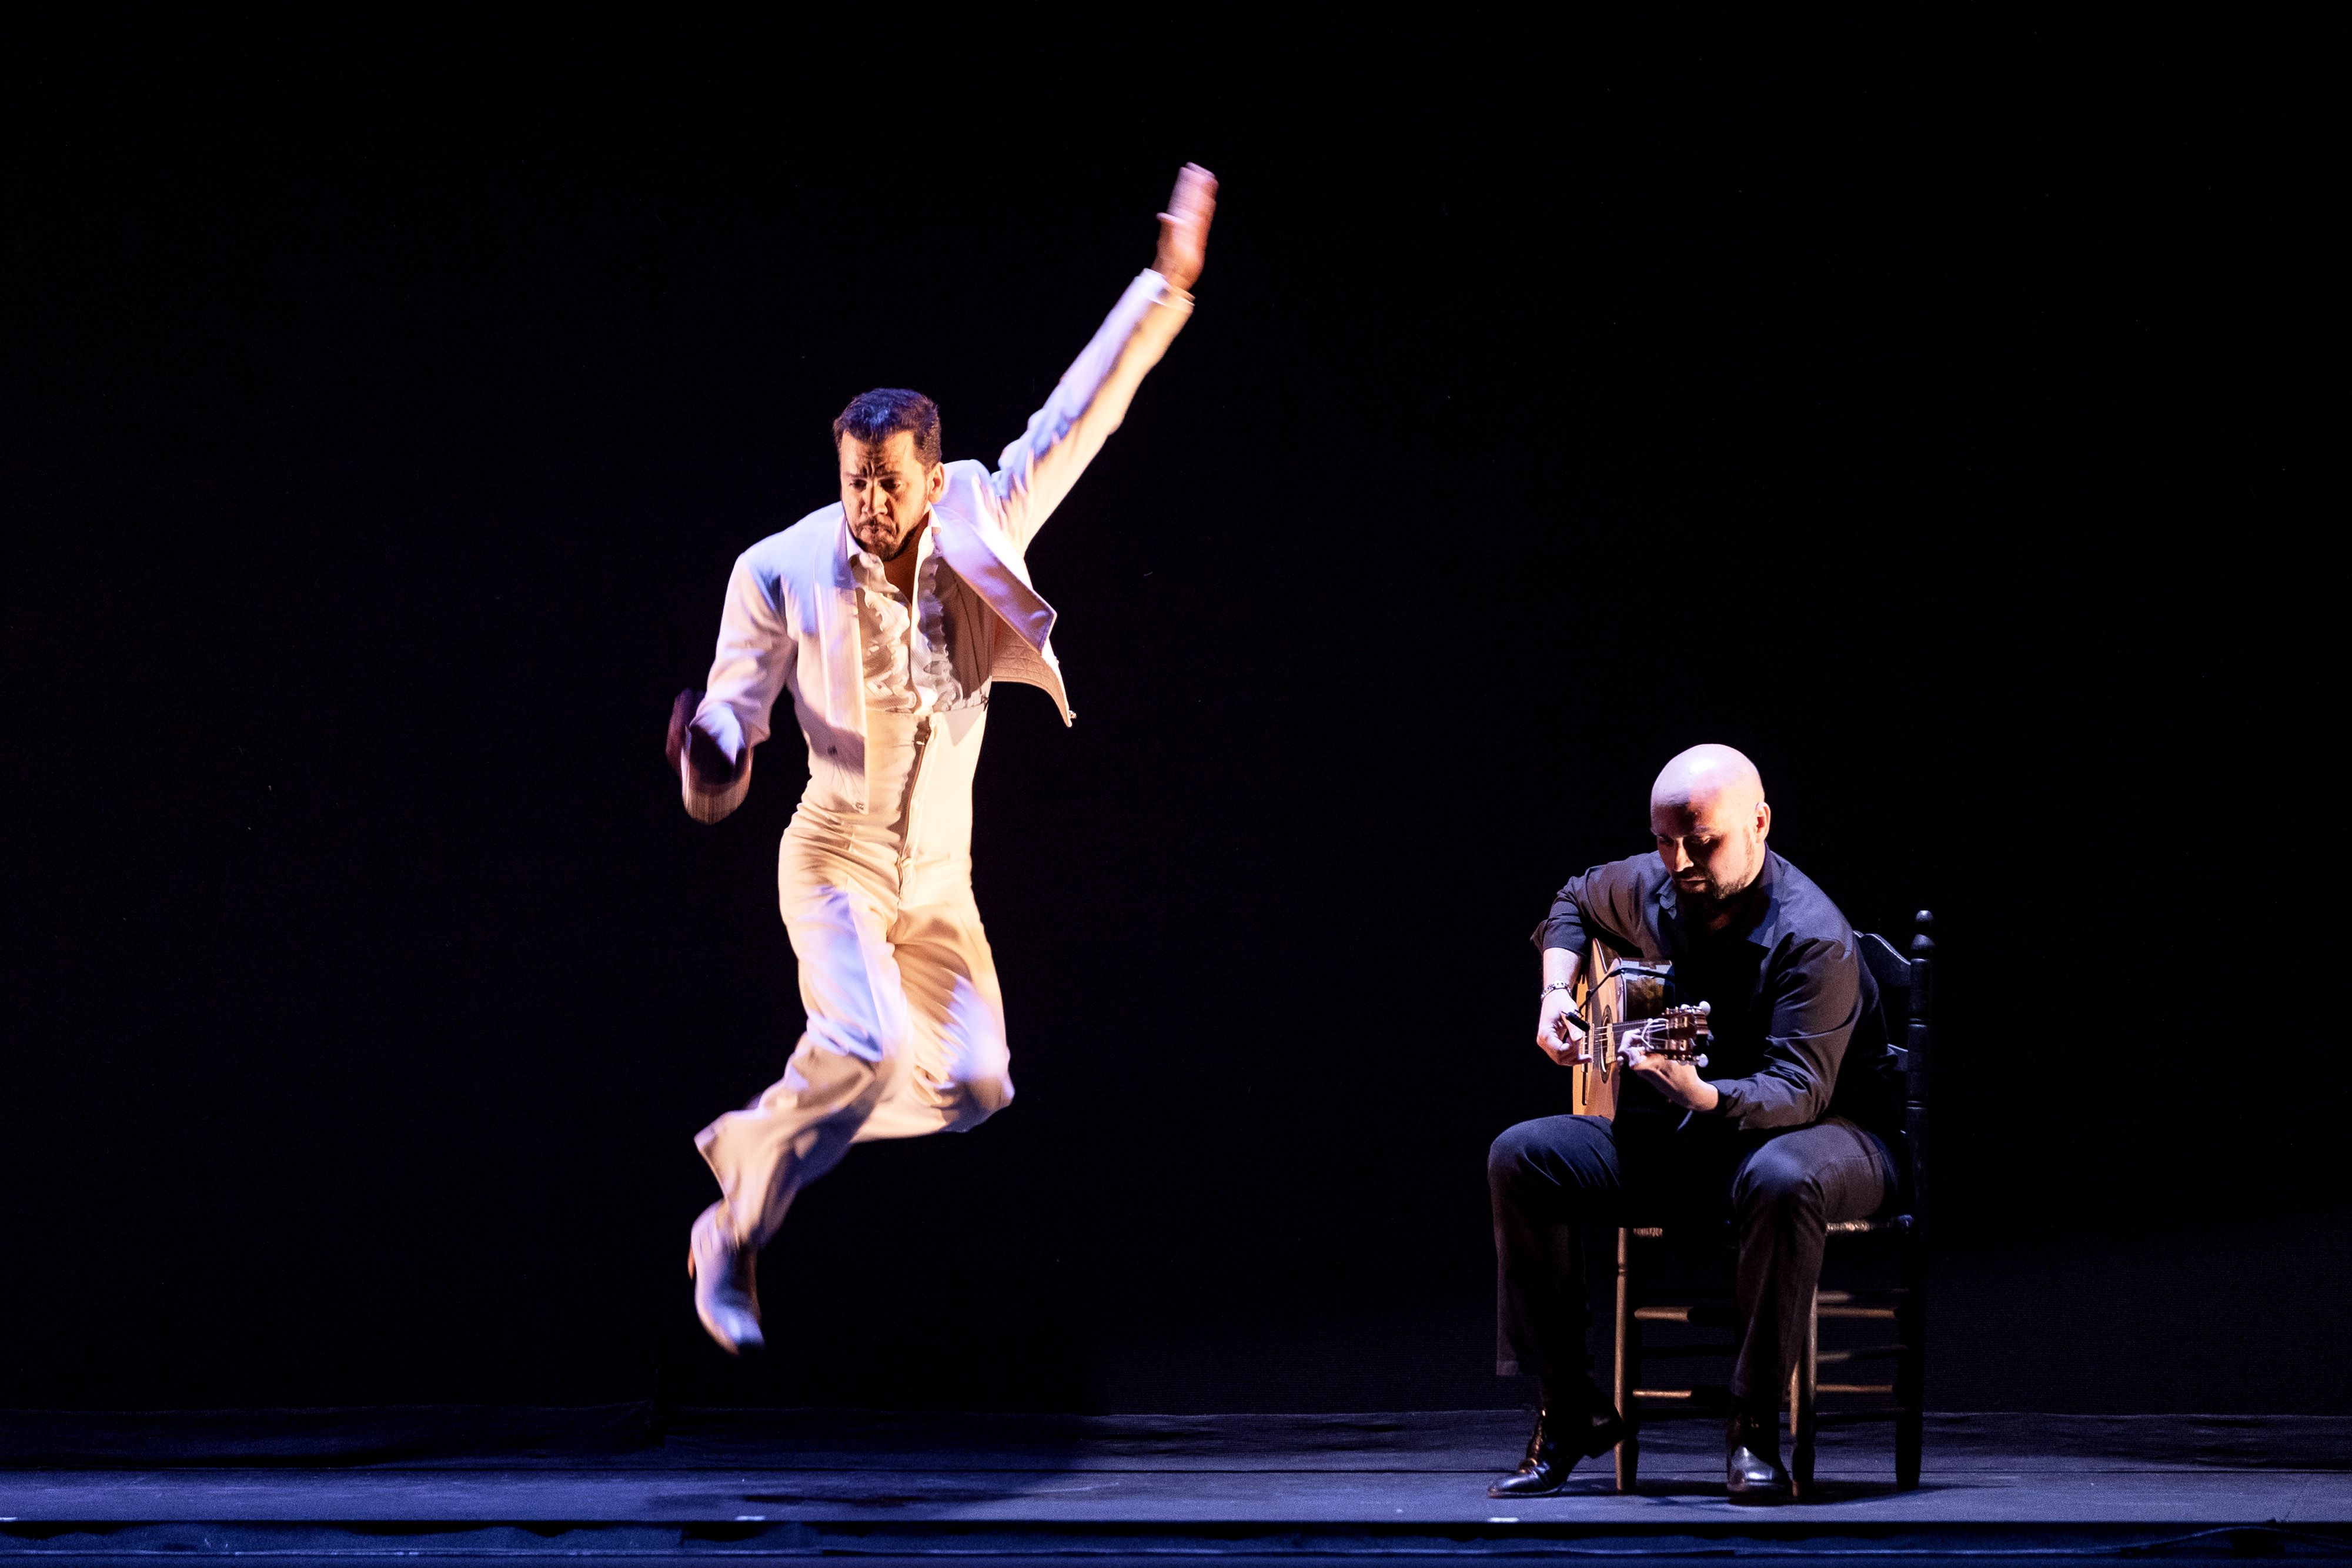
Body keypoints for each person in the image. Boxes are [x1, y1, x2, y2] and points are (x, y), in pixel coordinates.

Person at [666, 163, 1217, 1356]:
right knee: (860, 1051)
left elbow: (1083, 411)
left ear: (931, 473)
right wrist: (710, 754)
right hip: (832, 853)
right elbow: (732, 720)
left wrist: (1163, 289)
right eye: (855, 482)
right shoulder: (777, 567)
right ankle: (733, 1234)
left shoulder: (983, 512)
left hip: (938, 875)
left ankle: (758, 1146)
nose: (869, 504)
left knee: (973, 1086)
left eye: (890, 484)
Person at [1485, 743, 1904, 1501]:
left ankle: (1751, 1430)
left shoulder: (1812, 936)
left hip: (1829, 1133)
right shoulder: (1653, 885)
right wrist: (1556, 996)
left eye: (1702, 842)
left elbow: (1800, 1091)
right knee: (1522, 1156)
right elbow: (1573, 901)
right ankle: (1571, 1407)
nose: (1679, 861)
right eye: (1664, 841)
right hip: (1694, 1136)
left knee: (1784, 1177)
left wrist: (1701, 1095)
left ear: (1760, 824)